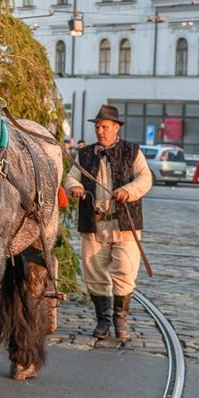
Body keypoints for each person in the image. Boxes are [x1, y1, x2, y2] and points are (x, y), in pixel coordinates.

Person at [65, 105, 153, 340]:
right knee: (94, 273)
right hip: (94, 224)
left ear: (116, 128)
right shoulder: (84, 154)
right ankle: (103, 320)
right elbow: (71, 177)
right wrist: (75, 187)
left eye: (105, 127)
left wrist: (128, 190)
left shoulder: (132, 151)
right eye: (97, 127)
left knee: (125, 270)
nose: (100, 131)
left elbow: (145, 178)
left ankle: (120, 320)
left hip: (125, 224)